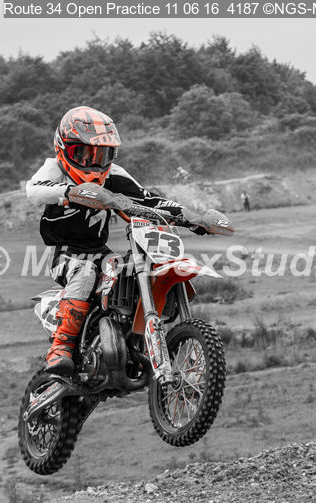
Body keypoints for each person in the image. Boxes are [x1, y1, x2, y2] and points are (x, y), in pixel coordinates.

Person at [26, 106, 201, 375]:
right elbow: (34, 190)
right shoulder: (55, 169)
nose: (93, 163)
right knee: (85, 273)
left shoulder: (113, 175)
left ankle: (128, 337)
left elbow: (148, 199)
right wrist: (71, 192)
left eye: (102, 155)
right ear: (65, 148)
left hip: (100, 251)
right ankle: (60, 348)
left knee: (128, 271)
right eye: (84, 154)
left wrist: (192, 217)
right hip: (65, 254)